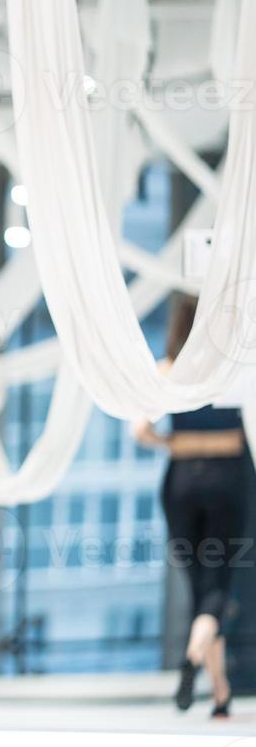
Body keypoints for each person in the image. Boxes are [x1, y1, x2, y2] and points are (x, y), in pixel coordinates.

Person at [133, 295, 248, 719]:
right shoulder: (230, 369)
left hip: (180, 480)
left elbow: (140, 429)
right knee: (217, 587)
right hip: (227, 478)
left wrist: (171, 443)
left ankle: (219, 692)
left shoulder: (169, 370)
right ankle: (193, 658)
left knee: (200, 588)